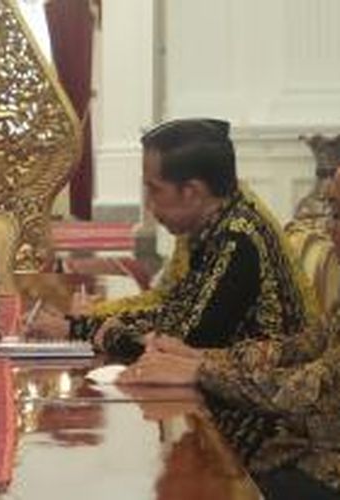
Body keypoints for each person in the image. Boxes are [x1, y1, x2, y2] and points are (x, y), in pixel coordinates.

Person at [117, 166, 340, 499]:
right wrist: (196, 356)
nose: (330, 230)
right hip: (303, 452)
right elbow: (295, 350)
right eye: (332, 212)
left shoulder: (239, 236)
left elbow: (310, 388)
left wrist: (200, 370)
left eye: (336, 214)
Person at [33, 118, 316, 360]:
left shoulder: (237, 238)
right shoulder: (219, 221)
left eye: (154, 190)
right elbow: (174, 312)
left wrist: (81, 331)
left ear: (191, 191)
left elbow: (184, 343)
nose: (149, 206)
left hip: (255, 417)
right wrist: (83, 325)